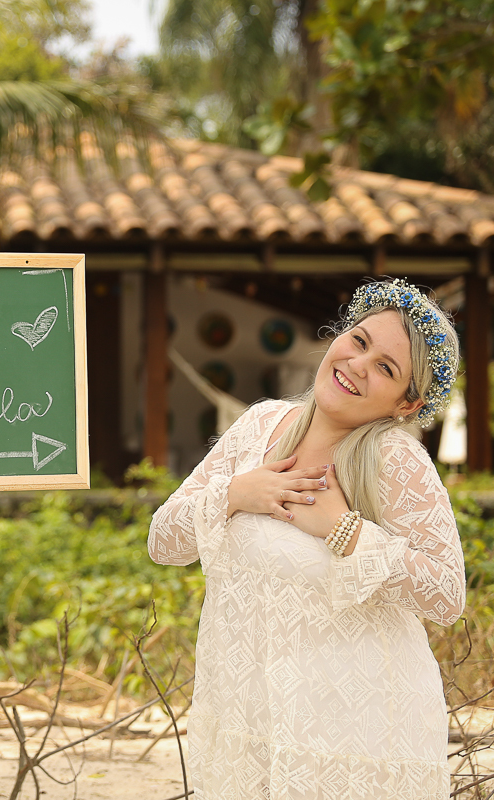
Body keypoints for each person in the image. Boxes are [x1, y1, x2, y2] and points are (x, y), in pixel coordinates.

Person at [148, 278, 465, 799]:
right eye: (359, 342)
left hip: (354, 737)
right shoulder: (259, 426)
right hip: (244, 722)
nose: (358, 365)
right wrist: (235, 493)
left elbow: (447, 595)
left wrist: (345, 531)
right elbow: (164, 541)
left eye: (386, 368)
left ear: (406, 404)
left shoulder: (398, 461)